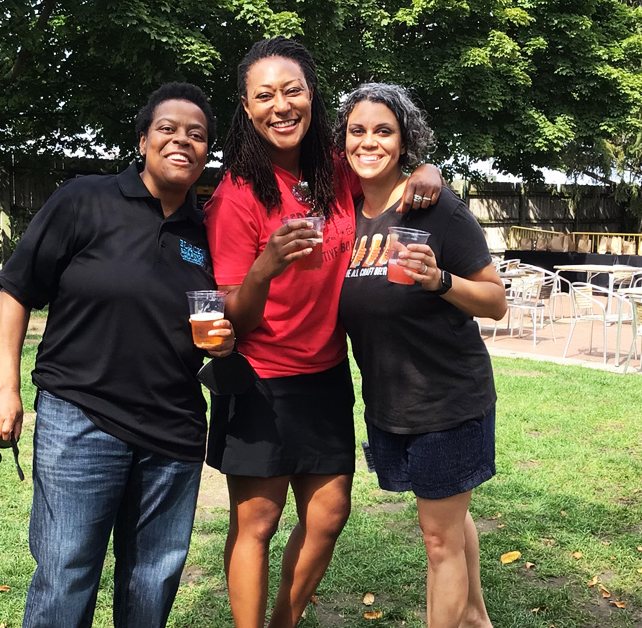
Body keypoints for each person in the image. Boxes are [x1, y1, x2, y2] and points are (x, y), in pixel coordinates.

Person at [204, 37, 443, 628]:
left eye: (293, 91)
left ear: (312, 96)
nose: (281, 106)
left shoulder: (335, 171)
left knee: (329, 515)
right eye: (265, 96)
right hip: (259, 376)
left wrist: (427, 171)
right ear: (246, 106)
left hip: (326, 373)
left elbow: (387, 171)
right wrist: (267, 266)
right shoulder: (238, 195)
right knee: (256, 522)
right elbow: (233, 314)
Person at [0, 82, 234, 628]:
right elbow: (16, 291)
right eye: (167, 129)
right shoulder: (85, 198)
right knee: (67, 569)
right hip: (81, 418)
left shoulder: (208, 228)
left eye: (197, 135)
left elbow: (223, 312)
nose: (182, 141)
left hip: (174, 426)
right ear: (143, 139)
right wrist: (6, 388)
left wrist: (223, 338)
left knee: (155, 575)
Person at [336, 83, 506, 628]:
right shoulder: (343, 212)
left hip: (447, 399)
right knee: (449, 521)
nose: (369, 142)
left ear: (404, 140)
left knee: (438, 540)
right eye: (357, 130)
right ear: (342, 142)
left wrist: (440, 280)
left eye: (383, 131)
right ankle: (476, 620)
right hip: (389, 401)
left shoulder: (435, 207)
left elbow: (496, 301)